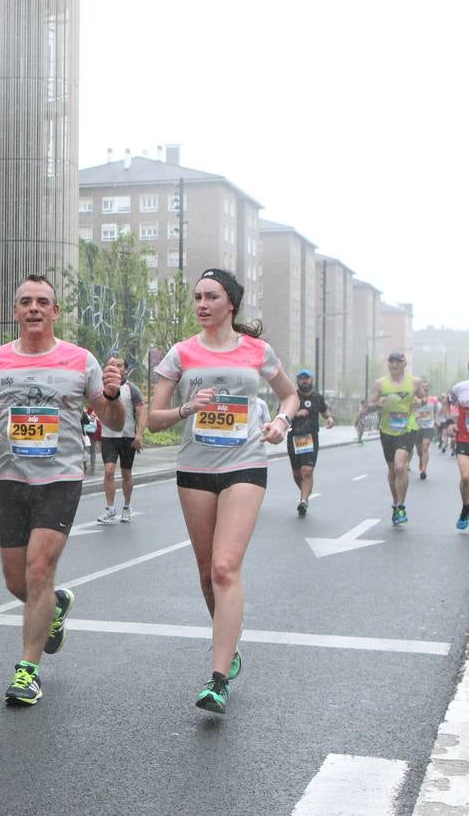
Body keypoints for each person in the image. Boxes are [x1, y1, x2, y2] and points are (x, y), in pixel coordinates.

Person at [0, 275, 124, 707]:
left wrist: (111, 393)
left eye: (42, 302)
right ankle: (54, 607)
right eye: (25, 302)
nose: (34, 308)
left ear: (55, 312)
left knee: (37, 571)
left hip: (60, 478)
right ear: (15, 311)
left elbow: (115, 420)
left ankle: (28, 671)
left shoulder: (80, 359)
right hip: (11, 479)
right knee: (17, 581)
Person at [147, 268, 298, 715]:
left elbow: (289, 396)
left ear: (230, 302)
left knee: (225, 567)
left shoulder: (257, 351)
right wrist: (185, 408)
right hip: (195, 469)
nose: (202, 304)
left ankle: (217, 680)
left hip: (245, 463)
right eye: (197, 297)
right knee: (205, 569)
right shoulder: (181, 353)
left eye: (211, 296)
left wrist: (279, 423)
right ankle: (228, 647)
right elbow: (152, 419)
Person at [370, 351, 420, 525]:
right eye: (391, 361)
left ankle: (401, 506)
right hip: (387, 429)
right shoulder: (380, 383)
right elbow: (369, 406)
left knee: (400, 466)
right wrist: (377, 404)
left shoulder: (414, 382)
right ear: (388, 364)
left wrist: (419, 403)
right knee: (392, 469)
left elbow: (425, 398)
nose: (395, 364)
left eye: (398, 361)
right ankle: (395, 502)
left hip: (408, 427)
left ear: (404, 363)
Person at [96, 355, 147, 524]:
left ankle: (126, 506)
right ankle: (110, 509)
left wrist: (139, 434)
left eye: (119, 365)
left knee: (126, 474)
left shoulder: (131, 389)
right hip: (109, 436)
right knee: (109, 471)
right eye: (112, 365)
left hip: (127, 437)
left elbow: (142, 411)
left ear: (125, 370)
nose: (116, 368)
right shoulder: (101, 388)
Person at [287, 368, 334, 517]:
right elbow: (281, 414)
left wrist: (330, 419)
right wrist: (296, 413)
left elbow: (325, 412)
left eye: (306, 378)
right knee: (297, 473)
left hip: (310, 439)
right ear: (297, 381)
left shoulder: (317, 398)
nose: (304, 381)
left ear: (311, 380)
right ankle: (304, 492)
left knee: (307, 471)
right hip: (294, 438)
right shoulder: (292, 397)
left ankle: (304, 501)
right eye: (301, 378)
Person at [450, 367, 469, 530]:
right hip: (464, 438)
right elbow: (448, 402)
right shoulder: (460, 387)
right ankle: (465, 508)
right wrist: (451, 423)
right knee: (465, 477)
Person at [413, 380, 439, 480]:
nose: (425, 388)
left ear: (429, 388)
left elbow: (436, 411)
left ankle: (423, 470)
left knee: (425, 447)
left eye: (427, 386)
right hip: (417, 426)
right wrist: (415, 415)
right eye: (423, 386)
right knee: (419, 450)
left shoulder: (433, 399)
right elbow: (411, 410)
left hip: (429, 426)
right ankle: (421, 458)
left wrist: (436, 420)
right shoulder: (415, 399)